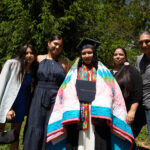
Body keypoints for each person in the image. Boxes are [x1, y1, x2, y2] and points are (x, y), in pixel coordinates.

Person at [46, 38, 134, 150]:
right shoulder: (74, 71)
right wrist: (74, 100)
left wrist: (100, 101)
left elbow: (112, 89)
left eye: (89, 52)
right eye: (84, 53)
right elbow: (65, 90)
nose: (87, 55)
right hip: (78, 113)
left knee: (96, 141)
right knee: (78, 143)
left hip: (97, 115)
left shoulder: (102, 70)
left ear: (94, 53)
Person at [23, 35, 69, 150]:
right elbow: (27, 74)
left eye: (60, 45)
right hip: (38, 96)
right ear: (49, 43)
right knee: (35, 125)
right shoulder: (38, 58)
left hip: (56, 99)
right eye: (55, 43)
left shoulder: (64, 63)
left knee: (50, 126)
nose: (57, 47)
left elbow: (68, 84)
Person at [0, 44, 37, 150]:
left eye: (31, 53)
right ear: (22, 54)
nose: (29, 55)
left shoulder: (33, 70)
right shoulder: (12, 64)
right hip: (5, 103)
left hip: (20, 105)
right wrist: (6, 109)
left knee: (14, 137)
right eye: (26, 53)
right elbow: (1, 84)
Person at [111, 48, 146, 139]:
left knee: (127, 138)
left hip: (127, 111)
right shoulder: (108, 72)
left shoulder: (132, 70)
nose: (118, 57)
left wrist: (132, 111)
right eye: (115, 54)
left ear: (125, 57)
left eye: (121, 54)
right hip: (113, 111)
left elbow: (137, 92)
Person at [136, 31, 150, 139]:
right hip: (140, 104)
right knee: (131, 131)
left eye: (147, 41)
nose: (144, 45)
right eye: (141, 42)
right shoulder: (139, 59)